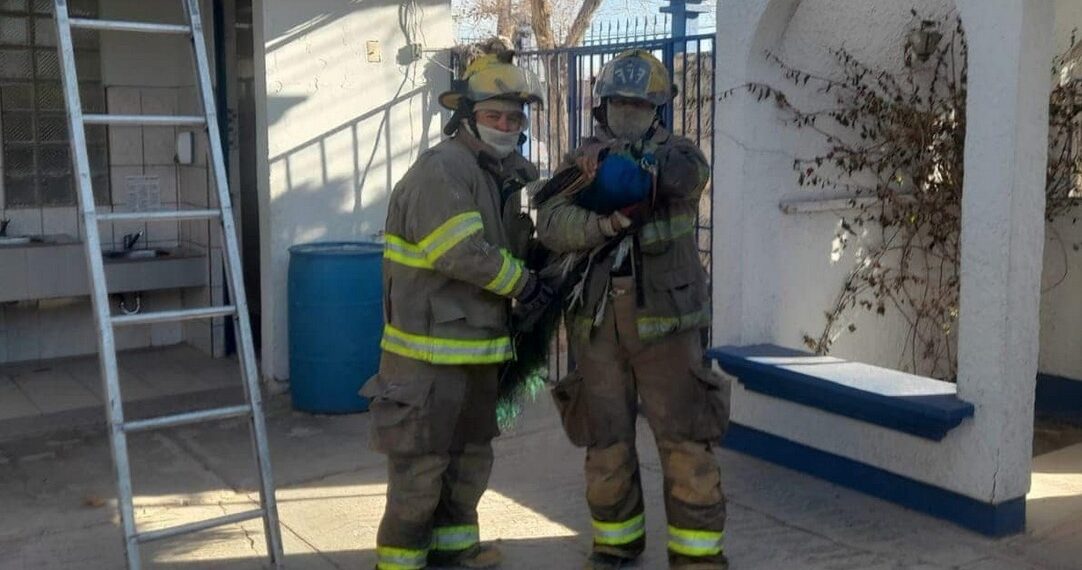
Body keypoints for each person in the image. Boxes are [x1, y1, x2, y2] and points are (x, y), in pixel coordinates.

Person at [537, 49, 730, 570]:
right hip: (598, 327)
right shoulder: (579, 161)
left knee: (685, 442)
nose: (627, 110)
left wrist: (626, 169)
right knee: (605, 442)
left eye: (638, 103)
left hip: (666, 327)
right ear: (602, 107)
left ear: (657, 109)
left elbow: (687, 178)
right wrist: (595, 202)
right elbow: (550, 224)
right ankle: (616, 544)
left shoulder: (680, 155)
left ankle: (697, 558)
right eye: (618, 102)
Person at [362, 50, 551, 570]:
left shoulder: (497, 175)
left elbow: (508, 244)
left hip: (477, 355)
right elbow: (458, 251)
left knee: (468, 464)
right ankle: (399, 565)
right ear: (464, 116)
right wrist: (523, 282)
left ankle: (455, 553)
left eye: (515, 118)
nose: (507, 126)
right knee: (420, 473)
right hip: (426, 361)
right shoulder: (442, 171)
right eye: (495, 116)